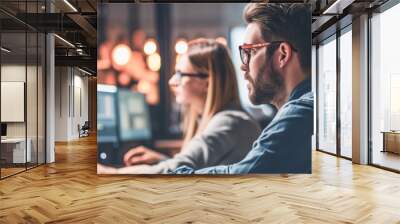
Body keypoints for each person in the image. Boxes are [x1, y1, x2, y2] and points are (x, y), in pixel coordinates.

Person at [174, 3, 313, 174]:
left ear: (282, 54)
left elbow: (243, 176)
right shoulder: (307, 107)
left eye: (250, 52)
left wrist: (176, 174)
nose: (243, 66)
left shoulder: (299, 114)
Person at [97, 38, 261, 174]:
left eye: (181, 74)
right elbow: (199, 169)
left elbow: (175, 171)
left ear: (207, 82)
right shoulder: (222, 120)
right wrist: (163, 160)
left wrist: (111, 173)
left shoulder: (229, 122)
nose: (172, 81)